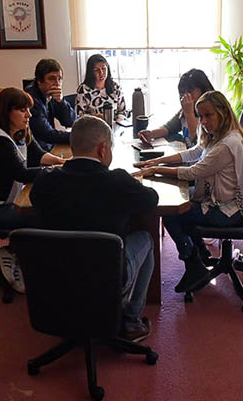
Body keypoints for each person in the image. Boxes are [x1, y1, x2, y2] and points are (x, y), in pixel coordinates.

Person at [31, 116, 158, 342]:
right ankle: (130, 321)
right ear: (102, 149)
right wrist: (133, 183)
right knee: (146, 239)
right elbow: (151, 200)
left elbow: (35, 203)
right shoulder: (118, 181)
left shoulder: (45, 181)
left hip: (55, 275)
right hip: (107, 277)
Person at [135, 91, 243, 292]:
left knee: (171, 211)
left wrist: (155, 169)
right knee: (177, 198)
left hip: (228, 211)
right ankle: (200, 251)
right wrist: (157, 160)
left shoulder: (227, 144)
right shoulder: (220, 135)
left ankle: (192, 262)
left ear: (223, 112)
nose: (204, 121)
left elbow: (193, 172)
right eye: (201, 116)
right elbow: (194, 152)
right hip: (219, 198)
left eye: (209, 115)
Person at [0, 87, 66, 292]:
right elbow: (22, 173)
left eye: (28, 109)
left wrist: (63, 162)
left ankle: (19, 253)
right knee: (39, 216)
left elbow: (38, 155)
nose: (29, 114)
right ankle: (12, 253)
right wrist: (59, 172)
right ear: (6, 112)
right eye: (22, 110)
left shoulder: (18, 130)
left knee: (44, 209)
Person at [138, 68, 214, 147]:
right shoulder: (184, 111)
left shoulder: (212, 114)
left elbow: (199, 143)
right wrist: (151, 134)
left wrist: (189, 114)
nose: (185, 97)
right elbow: (169, 128)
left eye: (190, 91)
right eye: (182, 93)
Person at [24, 58, 77, 152]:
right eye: (52, 79)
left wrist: (61, 101)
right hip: (37, 153)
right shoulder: (30, 99)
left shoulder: (51, 94)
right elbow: (46, 134)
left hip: (49, 148)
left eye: (59, 79)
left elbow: (70, 122)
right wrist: (79, 136)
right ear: (39, 81)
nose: (57, 83)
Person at [74, 54, 127, 119]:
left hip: (114, 125)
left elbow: (122, 111)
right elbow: (78, 115)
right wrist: (96, 117)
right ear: (91, 72)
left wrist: (118, 120)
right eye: (96, 70)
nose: (101, 72)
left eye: (103, 68)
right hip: (92, 126)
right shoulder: (84, 89)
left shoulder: (115, 87)